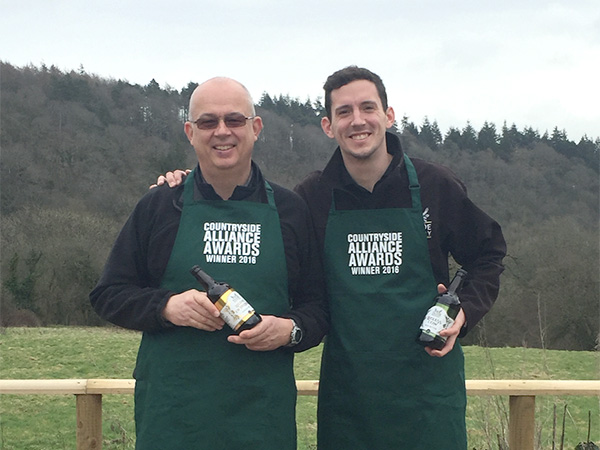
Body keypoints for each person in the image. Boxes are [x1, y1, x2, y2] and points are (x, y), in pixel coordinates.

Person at [157, 66, 506, 449]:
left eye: (367, 108)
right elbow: (297, 288)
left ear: (389, 116)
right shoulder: (311, 198)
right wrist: (193, 183)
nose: (357, 120)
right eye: (344, 112)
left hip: (428, 394)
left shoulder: (435, 186)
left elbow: (487, 254)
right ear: (328, 126)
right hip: (349, 399)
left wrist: (464, 310)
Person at [90, 77, 328, 450]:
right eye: (207, 122)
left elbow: (319, 307)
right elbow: (108, 295)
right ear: (190, 132)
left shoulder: (291, 210)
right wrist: (167, 307)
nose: (222, 131)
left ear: (256, 127)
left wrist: (290, 330)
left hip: (261, 419)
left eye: (234, 120)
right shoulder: (159, 206)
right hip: (174, 419)